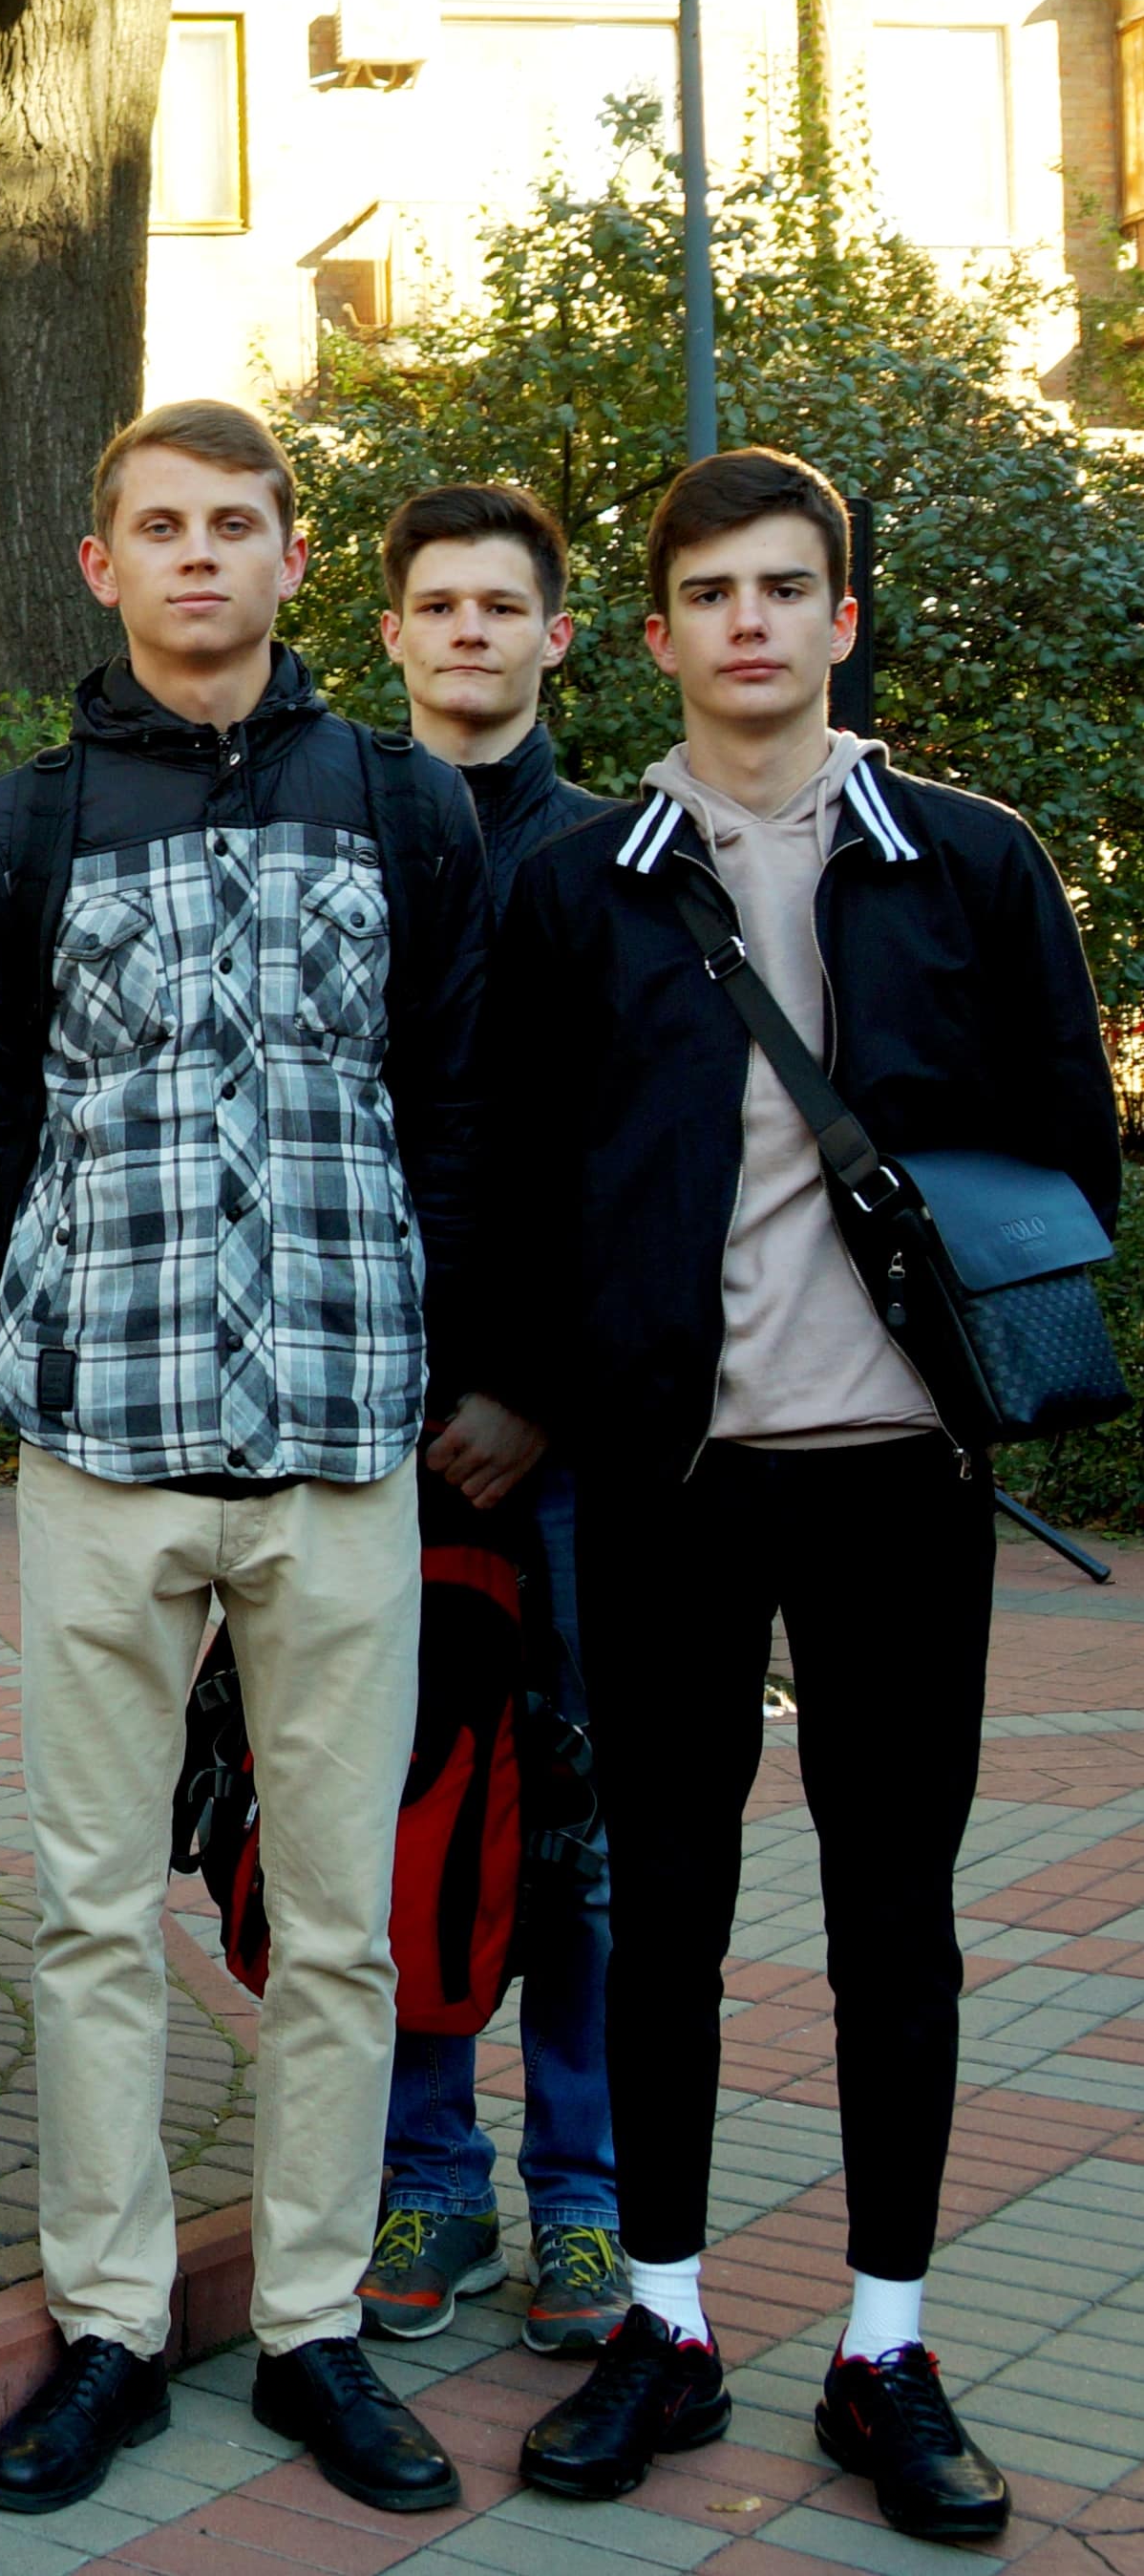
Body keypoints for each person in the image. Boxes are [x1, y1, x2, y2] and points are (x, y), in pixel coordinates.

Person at [487, 452, 1116, 2542]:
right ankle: (661, 2326)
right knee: (661, 1902)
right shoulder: (575, 882)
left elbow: (1064, 1157)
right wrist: (574, 1382)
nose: (745, 621)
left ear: (839, 619)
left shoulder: (968, 859)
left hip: (897, 1479)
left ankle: (882, 2350)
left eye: (781, 587)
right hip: (670, 1480)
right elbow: (518, 1170)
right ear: (652, 634)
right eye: (706, 592)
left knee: (890, 1916)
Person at [0, 401, 508, 2520]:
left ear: (286, 556)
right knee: (92, 1913)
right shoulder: (21, 827)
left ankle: (310, 2328)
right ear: (99, 566)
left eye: (232, 524)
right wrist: (46, 1332)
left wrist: (415, 1346)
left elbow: (451, 1102)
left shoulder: (398, 806)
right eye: (157, 527)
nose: (195, 556)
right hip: (104, 1449)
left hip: (342, 1451)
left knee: (336, 1928)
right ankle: (103, 2325)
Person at [353, 482, 627, 2358]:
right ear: (388, 632)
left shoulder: (618, 860)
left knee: (581, 1822)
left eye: (499, 605)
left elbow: (642, 1158)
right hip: (368, 1434)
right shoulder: (334, 839)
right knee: (401, 1809)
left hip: (565, 1440)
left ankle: (583, 2198)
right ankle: (424, 2175)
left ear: (553, 636)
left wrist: (530, 1385)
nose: (467, 630)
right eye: (436, 603)